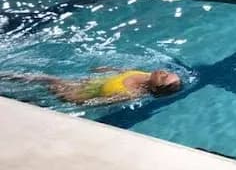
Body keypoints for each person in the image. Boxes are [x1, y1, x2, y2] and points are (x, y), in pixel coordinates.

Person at [2, 67, 182, 105]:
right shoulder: (145, 75)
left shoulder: (131, 94)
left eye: (164, 78)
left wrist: (71, 98)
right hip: (86, 84)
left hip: (76, 95)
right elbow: (124, 70)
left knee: (47, 79)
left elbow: (96, 103)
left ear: (156, 88)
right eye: (167, 72)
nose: (163, 72)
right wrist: (109, 69)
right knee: (43, 79)